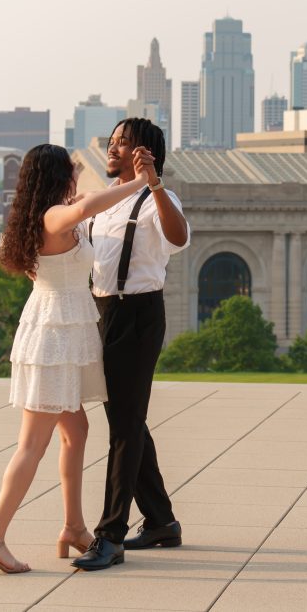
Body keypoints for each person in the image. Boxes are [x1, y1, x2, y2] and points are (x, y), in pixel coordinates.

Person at [0, 143, 151, 574]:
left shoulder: (43, 216)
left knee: (77, 431)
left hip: (61, 330)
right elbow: (91, 204)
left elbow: (86, 205)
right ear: (56, 177)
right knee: (33, 444)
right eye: (70, 171)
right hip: (55, 335)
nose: (75, 177)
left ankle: (73, 527)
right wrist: (141, 182)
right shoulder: (53, 216)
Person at [73, 118, 190, 572]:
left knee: (124, 427)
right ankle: (161, 521)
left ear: (147, 153)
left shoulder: (157, 198)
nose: (113, 149)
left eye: (124, 143)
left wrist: (155, 184)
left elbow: (178, 238)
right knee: (127, 420)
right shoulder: (104, 204)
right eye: (112, 142)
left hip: (139, 313)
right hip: (102, 313)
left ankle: (110, 536)